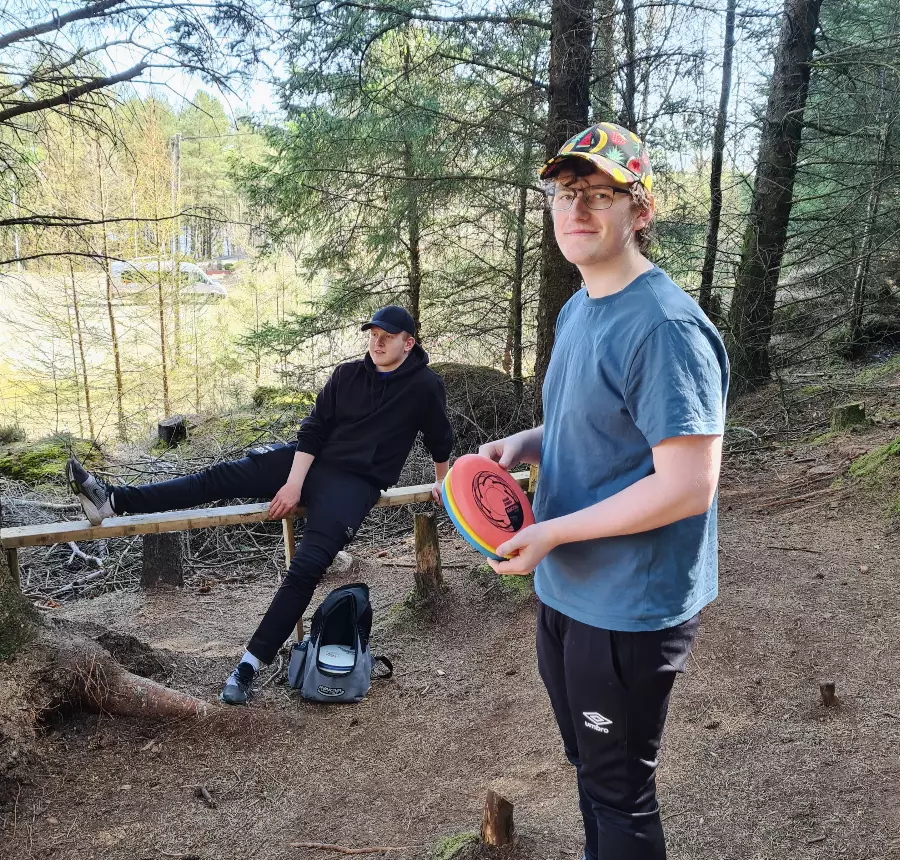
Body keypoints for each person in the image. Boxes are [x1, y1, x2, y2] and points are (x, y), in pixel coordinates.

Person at [479, 123, 729, 860]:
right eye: (565, 194)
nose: (577, 209)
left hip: (628, 603)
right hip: (567, 589)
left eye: (598, 194)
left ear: (639, 210)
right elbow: (594, 420)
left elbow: (686, 488)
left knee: (620, 795)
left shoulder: (666, 327)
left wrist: (553, 531)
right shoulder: (580, 305)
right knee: (590, 770)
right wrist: (524, 444)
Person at [66, 305, 453, 705]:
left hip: (355, 484)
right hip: (307, 462)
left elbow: (439, 437)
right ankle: (113, 500)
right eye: (373, 334)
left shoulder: (424, 385)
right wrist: (294, 483)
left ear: (409, 343)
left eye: (387, 337)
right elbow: (314, 430)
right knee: (217, 478)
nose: (377, 342)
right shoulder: (347, 375)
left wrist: (442, 481)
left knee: (306, 568)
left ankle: (248, 666)